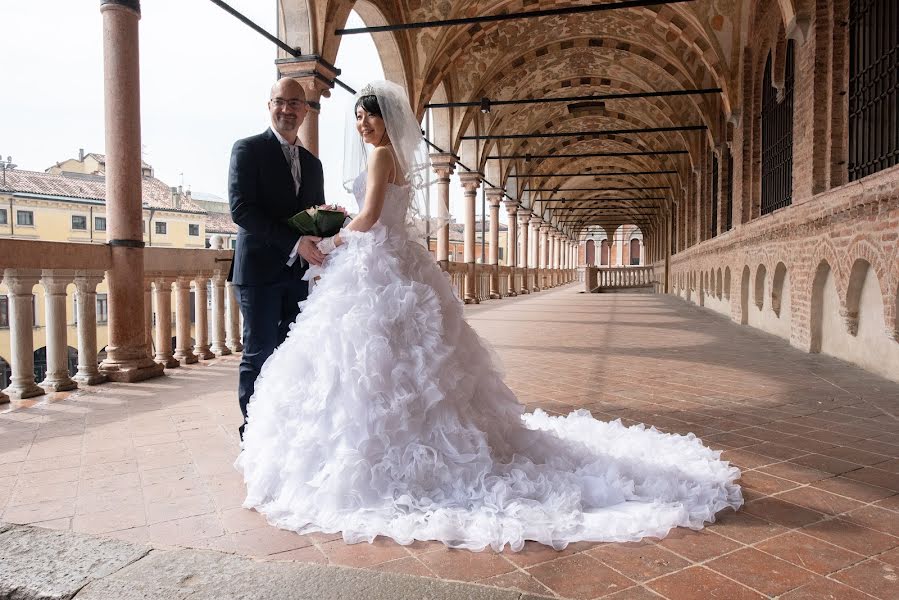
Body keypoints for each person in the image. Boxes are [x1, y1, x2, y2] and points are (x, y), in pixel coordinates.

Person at [235, 80, 742, 551]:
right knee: (408, 361)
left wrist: (335, 234)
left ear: (385, 118)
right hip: (393, 261)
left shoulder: (379, 156)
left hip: (375, 262)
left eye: (367, 115)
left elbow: (368, 217)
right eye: (357, 117)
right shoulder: (395, 159)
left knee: (371, 364)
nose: (361, 124)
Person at [228, 77, 326, 439]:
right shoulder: (248, 150)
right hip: (258, 274)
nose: (287, 110)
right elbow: (242, 211)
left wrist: (331, 241)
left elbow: (315, 215)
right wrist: (294, 243)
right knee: (259, 353)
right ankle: (252, 435)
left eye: (295, 103)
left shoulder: (313, 164)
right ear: (269, 105)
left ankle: (283, 431)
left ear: (305, 109)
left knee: (292, 355)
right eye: (280, 102)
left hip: (299, 277)